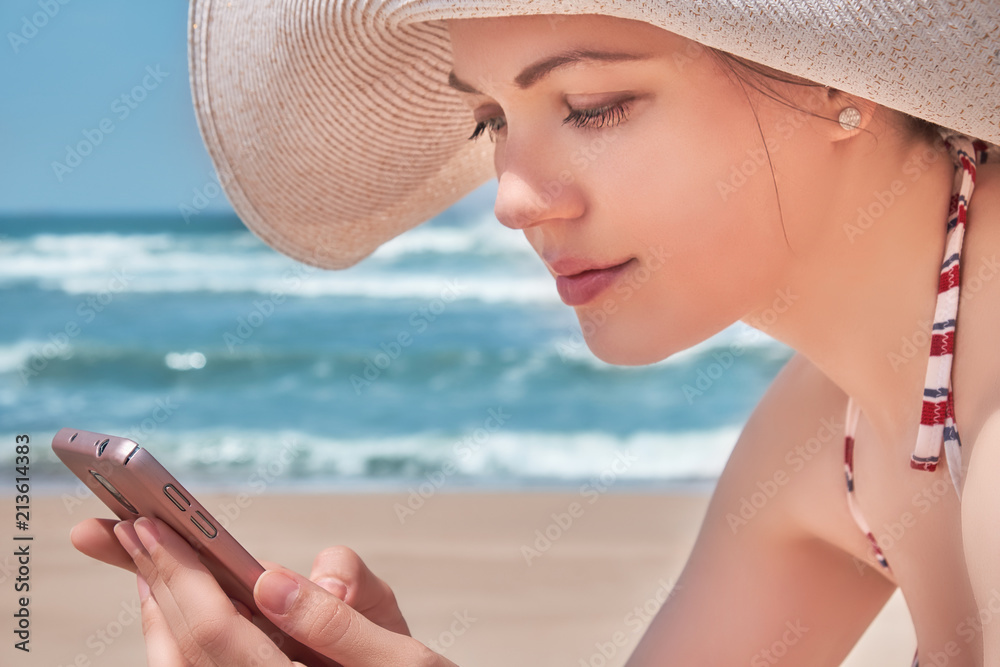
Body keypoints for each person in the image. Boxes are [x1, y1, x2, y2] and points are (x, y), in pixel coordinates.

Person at [71, 0, 1000, 664]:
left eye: (592, 105)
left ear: (841, 77)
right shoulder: (829, 437)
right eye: (491, 122)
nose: (511, 198)